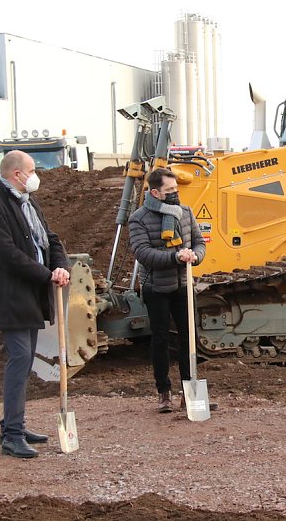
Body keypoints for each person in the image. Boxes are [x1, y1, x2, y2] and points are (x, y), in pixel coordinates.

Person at [0, 150, 71, 459]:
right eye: (32, 170)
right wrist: (46, 275)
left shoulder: (28, 203)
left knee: (25, 360)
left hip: (30, 295)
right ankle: (12, 435)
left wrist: (61, 267)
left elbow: (50, 239)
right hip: (10, 297)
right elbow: (6, 254)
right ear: (17, 174)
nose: (35, 175)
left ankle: (13, 425)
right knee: (19, 359)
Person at [128, 168, 207, 413]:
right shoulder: (139, 218)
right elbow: (142, 253)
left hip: (183, 285)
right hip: (156, 288)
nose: (175, 193)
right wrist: (175, 256)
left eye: (176, 189)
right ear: (155, 193)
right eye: (169, 190)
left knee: (189, 338)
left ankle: (189, 392)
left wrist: (195, 255)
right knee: (160, 339)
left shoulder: (186, 212)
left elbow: (199, 242)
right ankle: (163, 392)